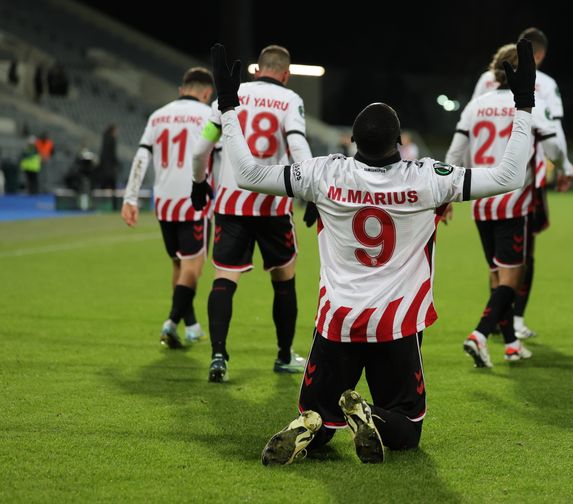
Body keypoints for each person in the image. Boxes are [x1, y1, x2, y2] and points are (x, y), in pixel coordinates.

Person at [208, 39, 535, 464]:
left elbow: (249, 173)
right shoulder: (427, 179)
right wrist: (523, 105)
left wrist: (229, 108)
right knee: (407, 429)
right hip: (395, 325)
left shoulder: (324, 172)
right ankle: (372, 416)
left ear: (352, 141)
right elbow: (509, 175)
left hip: (337, 322)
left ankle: (311, 424)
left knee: (318, 418)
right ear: (399, 141)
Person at [191, 44, 313, 382]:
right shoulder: (290, 100)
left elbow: (201, 147)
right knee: (283, 280)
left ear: (257, 69)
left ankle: (218, 356)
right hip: (272, 204)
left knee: (224, 279)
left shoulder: (232, 93)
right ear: (286, 74)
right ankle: (285, 355)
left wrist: (197, 182)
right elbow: (298, 146)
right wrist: (311, 192)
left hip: (230, 202)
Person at [447, 43, 566, 367]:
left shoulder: (476, 105)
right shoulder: (528, 102)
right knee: (513, 276)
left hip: (480, 201)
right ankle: (480, 334)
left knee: (497, 274)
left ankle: (511, 344)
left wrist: (446, 196)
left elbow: (455, 153)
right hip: (513, 201)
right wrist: (566, 168)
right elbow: (554, 144)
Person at [472, 27, 573, 339]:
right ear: (538, 55)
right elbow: (553, 130)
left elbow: (472, 119)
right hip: (526, 177)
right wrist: (564, 168)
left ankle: (503, 326)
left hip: (484, 180)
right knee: (522, 254)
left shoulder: (485, 81)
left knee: (496, 260)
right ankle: (513, 322)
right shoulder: (543, 83)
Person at [121, 67, 216, 348]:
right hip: (194, 200)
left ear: (181, 89)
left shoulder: (158, 115)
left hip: (163, 203)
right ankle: (171, 323)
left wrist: (130, 198)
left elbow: (141, 156)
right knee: (193, 268)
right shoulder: (207, 115)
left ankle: (193, 326)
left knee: (178, 262)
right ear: (207, 93)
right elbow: (219, 158)